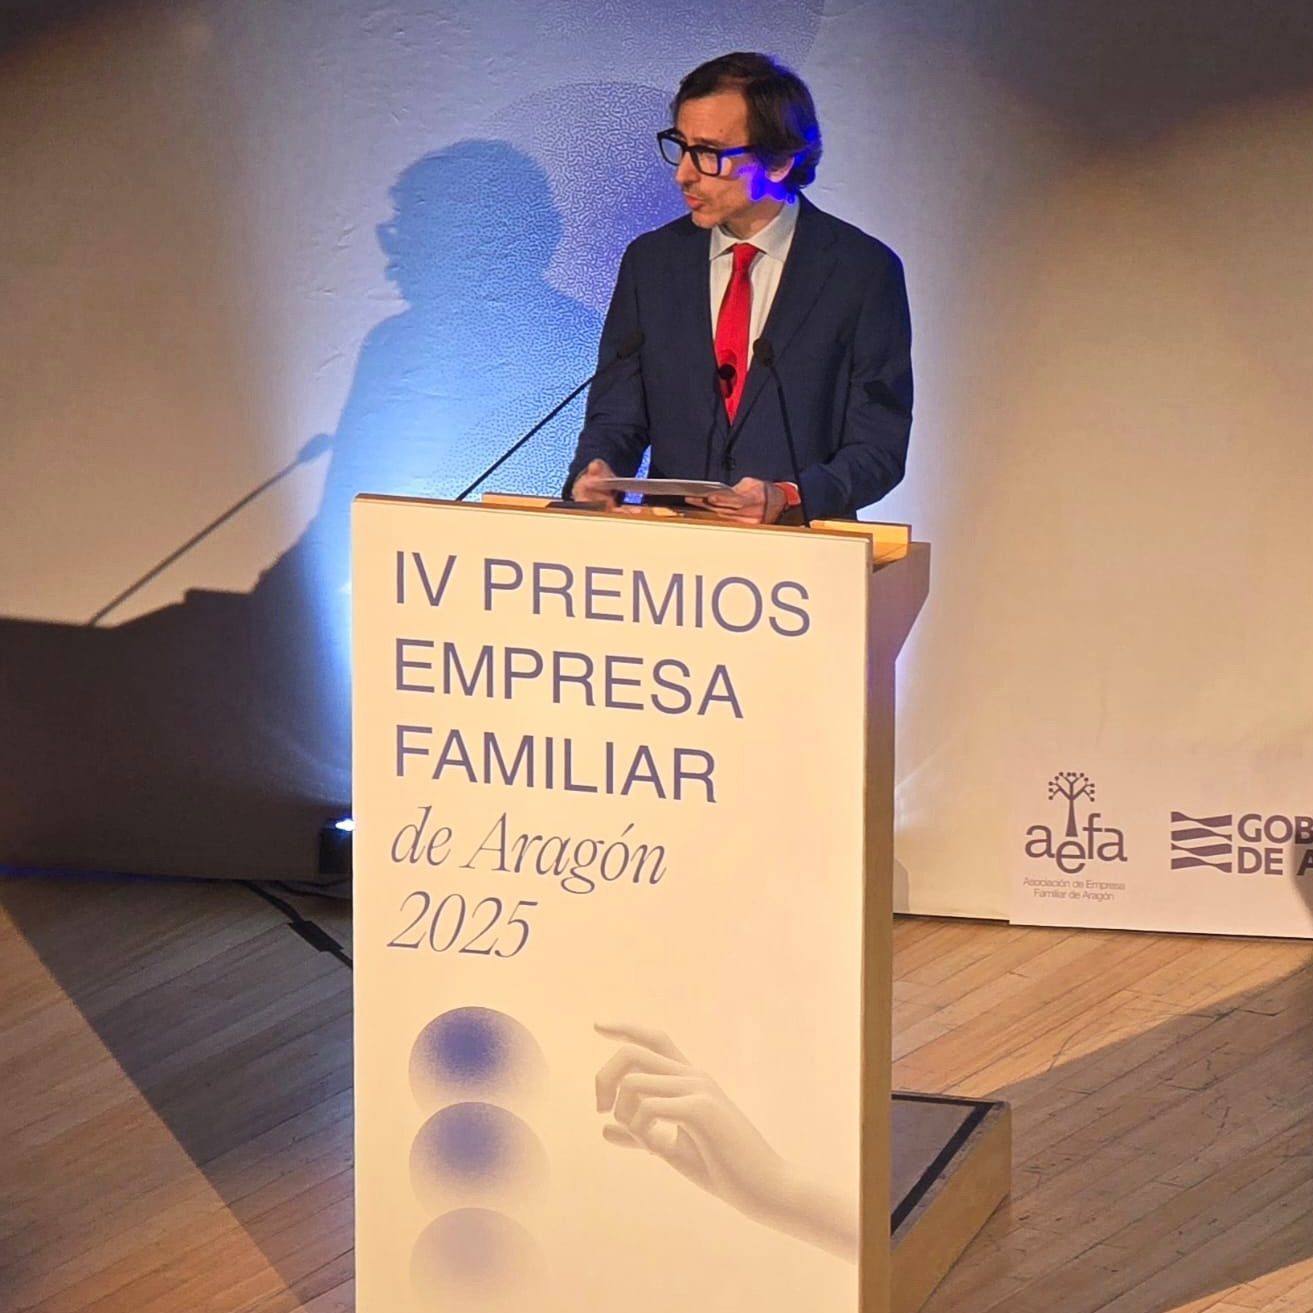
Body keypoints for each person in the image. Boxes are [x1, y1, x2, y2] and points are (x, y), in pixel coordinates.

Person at [565, 51, 912, 524]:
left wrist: (788, 496)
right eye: (681, 146)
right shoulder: (652, 263)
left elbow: (879, 447)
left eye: (708, 154)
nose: (683, 174)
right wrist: (597, 471)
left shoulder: (861, 272)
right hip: (668, 551)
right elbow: (616, 416)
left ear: (779, 161)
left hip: (801, 551)